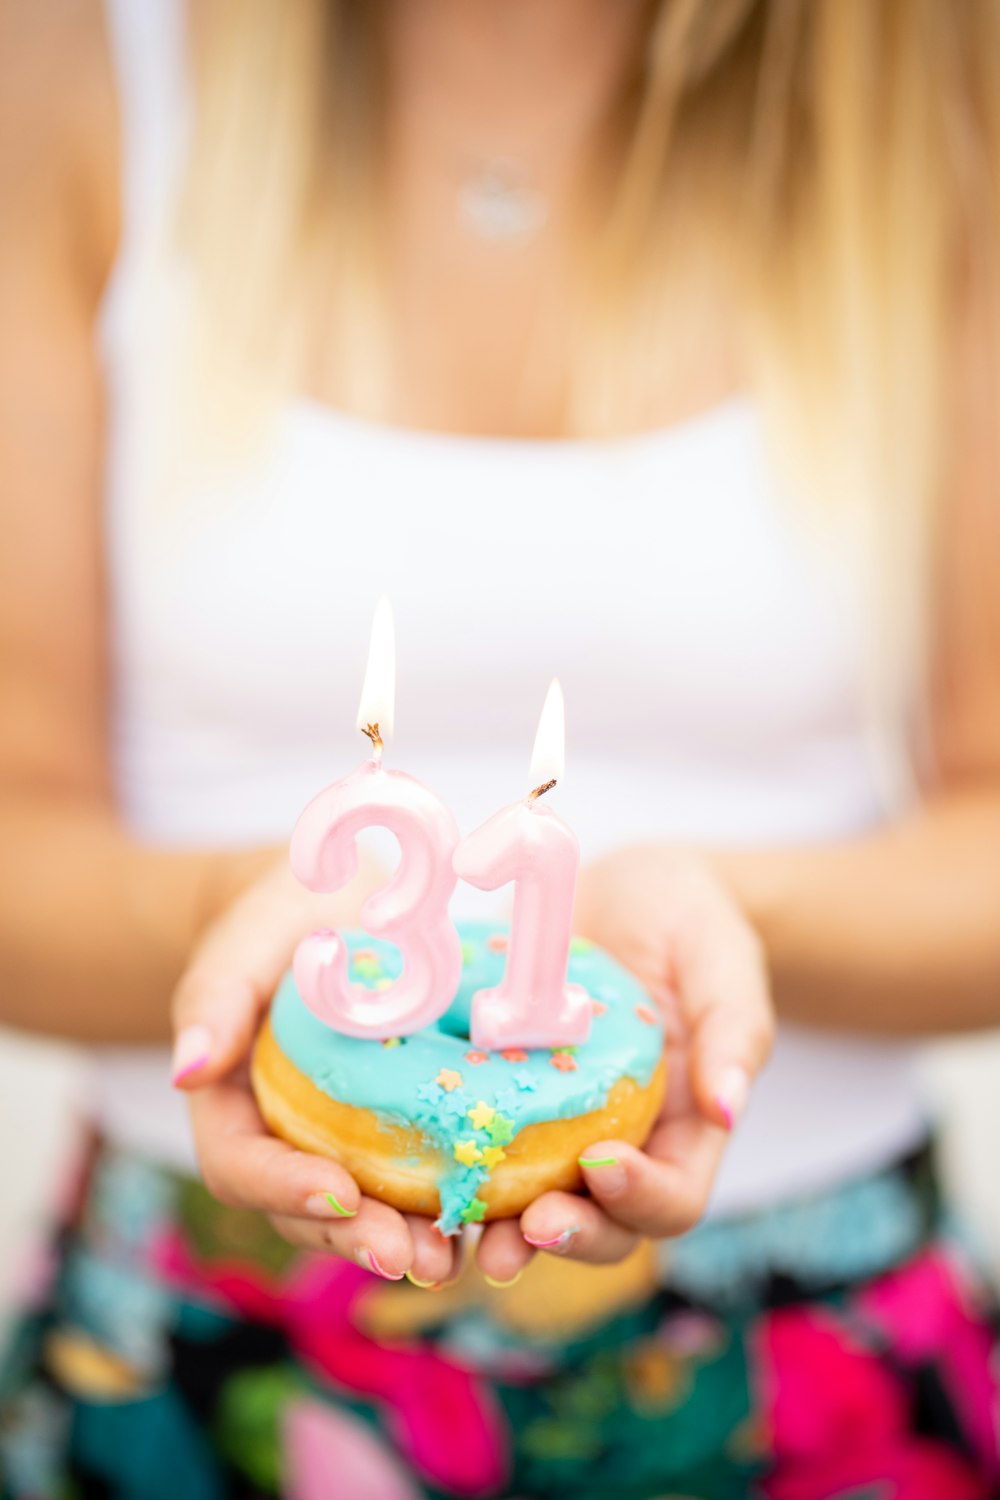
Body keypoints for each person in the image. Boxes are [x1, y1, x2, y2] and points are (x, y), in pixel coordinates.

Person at [1, 0, 999, 1495]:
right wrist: (233, 929)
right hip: (198, 1359)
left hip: (812, 1358)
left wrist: (709, 936)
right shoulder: (72, 59)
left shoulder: (948, 86)